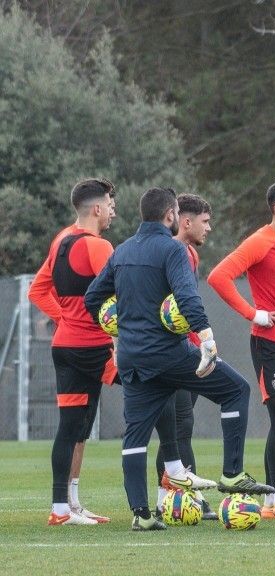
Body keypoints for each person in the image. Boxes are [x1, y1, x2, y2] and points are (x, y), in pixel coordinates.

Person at [85, 187, 273, 531]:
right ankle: (231, 474)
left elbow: (92, 298)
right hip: (170, 353)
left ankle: (141, 515)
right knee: (236, 390)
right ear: (171, 216)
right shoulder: (173, 249)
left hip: (132, 358)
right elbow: (187, 298)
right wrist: (206, 338)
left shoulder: (122, 250)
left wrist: (117, 328)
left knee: (135, 436)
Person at [208, 181, 275, 520]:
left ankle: (271, 502)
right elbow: (219, 276)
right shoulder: (261, 241)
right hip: (270, 344)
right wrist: (254, 313)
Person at [29, 178, 117, 526]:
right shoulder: (99, 246)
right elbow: (123, 295)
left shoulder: (60, 241)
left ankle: (65, 507)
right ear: (96, 209)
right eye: (110, 204)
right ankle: (168, 482)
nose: (112, 210)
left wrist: (65, 318)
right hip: (94, 350)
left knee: (74, 427)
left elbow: (37, 291)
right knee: (160, 388)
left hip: (64, 346)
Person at [153, 194, 218, 520]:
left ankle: (173, 497)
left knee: (179, 426)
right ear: (186, 221)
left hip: (188, 350)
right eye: (205, 221)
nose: (209, 227)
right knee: (176, 427)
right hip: (174, 353)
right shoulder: (173, 252)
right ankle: (168, 499)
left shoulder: (189, 253)